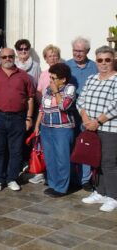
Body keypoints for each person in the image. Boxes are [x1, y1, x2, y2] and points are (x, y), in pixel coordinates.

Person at [0, 48, 35, 192]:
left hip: (18, 117)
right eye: (4, 57)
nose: (7, 59)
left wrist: (29, 117)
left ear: (14, 57)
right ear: (0, 58)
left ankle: (12, 178)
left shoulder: (24, 76)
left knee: (16, 150)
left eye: (10, 56)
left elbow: (30, 98)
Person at [79, 46, 117, 212]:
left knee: (109, 163)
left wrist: (98, 121)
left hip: (109, 128)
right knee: (97, 161)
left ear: (113, 60)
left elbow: (115, 105)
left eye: (107, 60)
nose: (103, 63)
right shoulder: (91, 79)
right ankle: (100, 192)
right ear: (96, 61)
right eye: (100, 60)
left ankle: (113, 196)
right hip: (91, 127)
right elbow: (81, 100)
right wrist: (86, 120)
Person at [34, 63, 76, 197]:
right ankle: (53, 184)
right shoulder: (48, 89)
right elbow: (42, 108)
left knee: (62, 159)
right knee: (50, 158)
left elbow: (64, 106)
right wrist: (37, 125)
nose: (50, 81)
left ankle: (62, 187)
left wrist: (56, 91)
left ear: (63, 79)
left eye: (53, 78)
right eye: (50, 77)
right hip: (46, 128)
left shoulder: (70, 89)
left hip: (62, 129)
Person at [66, 37, 98, 191]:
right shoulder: (66, 66)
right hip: (69, 114)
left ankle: (85, 179)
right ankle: (72, 177)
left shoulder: (95, 67)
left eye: (81, 51)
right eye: (75, 50)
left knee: (86, 147)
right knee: (70, 145)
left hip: (88, 115)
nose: (77, 54)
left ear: (87, 52)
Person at [29, 44, 61, 185]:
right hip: (44, 113)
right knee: (44, 145)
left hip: (59, 114)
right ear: (45, 59)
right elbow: (39, 92)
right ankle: (44, 172)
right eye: (49, 56)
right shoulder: (43, 73)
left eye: (55, 55)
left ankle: (56, 175)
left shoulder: (64, 73)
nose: (52, 58)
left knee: (58, 146)